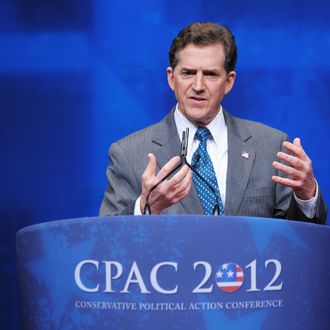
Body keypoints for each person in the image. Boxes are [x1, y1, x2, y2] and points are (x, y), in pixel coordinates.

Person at [99, 22, 327, 224]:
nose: (198, 85)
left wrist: (306, 196)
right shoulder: (128, 154)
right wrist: (147, 207)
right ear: (171, 78)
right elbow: (106, 244)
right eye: (188, 73)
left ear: (229, 82)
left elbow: (298, 245)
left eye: (210, 74)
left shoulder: (272, 146)